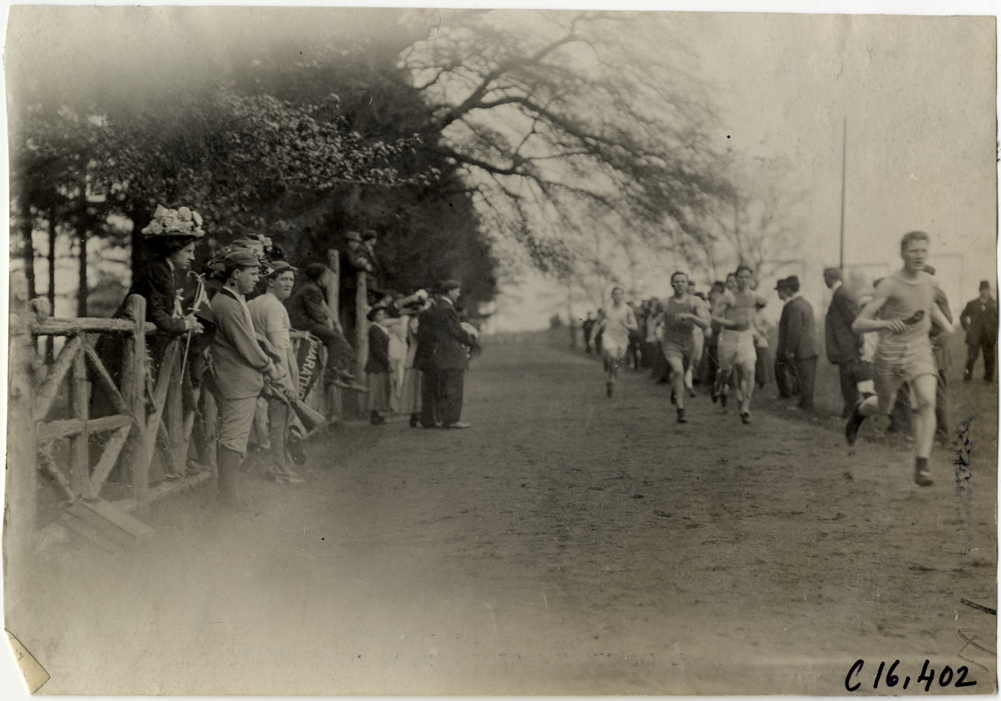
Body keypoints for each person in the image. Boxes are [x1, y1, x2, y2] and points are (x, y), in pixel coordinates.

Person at [844, 231, 955, 487]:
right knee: (885, 407)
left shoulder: (930, 283)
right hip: (890, 353)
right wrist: (884, 323)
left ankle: (922, 464)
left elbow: (931, 309)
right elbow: (858, 324)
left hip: (919, 351)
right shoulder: (890, 284)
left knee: (927, 400)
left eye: (923, 251)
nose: (919, 255)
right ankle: (859, 413)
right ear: (903, 253)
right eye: (914, 250)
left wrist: (947, 331)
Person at [210, 248, 290, 505]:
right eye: (253, 274)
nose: (257, 279)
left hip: (242, 381)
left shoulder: (235, 300)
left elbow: (251, 338)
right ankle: (228, 501)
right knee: (233, 440)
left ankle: (229, 498)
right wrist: (271, 367)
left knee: (236, 439)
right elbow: (246, 344)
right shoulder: (226, 304)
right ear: (235, 274)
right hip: (236, 382)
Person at [247, 260, 306, 483]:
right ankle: (281, 471)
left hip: (262, 364)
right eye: (284, 279)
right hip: (278, 364)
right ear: (270, 281)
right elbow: (277, 345)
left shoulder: (253, 303)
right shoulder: (274, 306)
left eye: (291, 280)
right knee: (280, 422)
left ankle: (282, 467)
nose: (289, 284)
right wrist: (286, 379)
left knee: (275, 421)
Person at [288, 263, 361, 394]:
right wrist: (328, 327)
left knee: (345, 345)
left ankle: (340, 370)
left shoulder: (313, 288)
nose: (328, 280)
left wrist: (334, 322)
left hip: (309, 323)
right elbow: (315, 313)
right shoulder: (311, 290)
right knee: (336, 340)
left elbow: (323, 307)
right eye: (327, 276)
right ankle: (330, 375)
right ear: (320, 277)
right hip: (305, 324)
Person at [712, 265, 767, 424]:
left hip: (745, 336)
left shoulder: (754, 296)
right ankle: (717, 386)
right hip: (728, 336)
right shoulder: (728, 297)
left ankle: (745, 408)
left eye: (747, 277)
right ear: (735, 279)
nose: (744, 280)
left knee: (749, 370)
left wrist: (759, 328)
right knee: (725, 371)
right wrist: (733, 322)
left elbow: (752, 315)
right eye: (741, 277)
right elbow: (714, 317)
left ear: (751, 279)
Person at [661, 272, 710, 423]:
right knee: (678, 370)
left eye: (683, 281)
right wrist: (655, 330)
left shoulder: (695, 301)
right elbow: (656, 318)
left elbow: (705, 323)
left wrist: (692, 317)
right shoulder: (664, 302)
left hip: (689, 342)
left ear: (687, 284)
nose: (680, 284)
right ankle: (680, 409)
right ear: (672, 284)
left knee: (681, 373)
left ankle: (674, 387)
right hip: (671, 342)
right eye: (677, 281)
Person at [431, 280, 477, 428]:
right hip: (451, 353)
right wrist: (471, 341)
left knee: (446, 387)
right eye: (456, 291)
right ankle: (453, 420)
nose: (458, 294)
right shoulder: (447, 308)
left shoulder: (440, 306)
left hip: (444, 353)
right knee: (454, 388)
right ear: (449, 291)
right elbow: (456, 330)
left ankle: (446, 419)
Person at [823, 267, 864, 417]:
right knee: (847, 382)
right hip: (845, 346)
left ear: (829, 278)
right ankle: (849, 412)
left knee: (848, 383)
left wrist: (859, 342)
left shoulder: (841, 294)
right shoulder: (840, 293)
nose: (824, 281)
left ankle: (852, 414)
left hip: (847, 347)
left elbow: (853, 321)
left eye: (825, 277)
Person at [776, 275, 819, 411]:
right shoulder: (806, 303)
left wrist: (789, 350)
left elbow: (794, 331)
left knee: (804, 379)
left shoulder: (795, 306)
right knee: (808, 379)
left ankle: (805, 405)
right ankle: (806, 404)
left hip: (803, 348)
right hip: (811, 347)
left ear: (789, 289)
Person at [593, 286, 639, 397]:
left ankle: (612, 375)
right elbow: (597, 323)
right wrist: (591, 338)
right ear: (612, 296)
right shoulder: (606, 309)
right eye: (615, 294)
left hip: (622, 337)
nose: (618, 296)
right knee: (613, 356)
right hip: (609, 336)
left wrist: (626, 325)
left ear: (623, 296)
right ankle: (611, 378)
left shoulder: (627, 309)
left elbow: (635, 326)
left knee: (619, 360)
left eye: (620, 294)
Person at [960, 280, 997, 382]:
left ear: (989, 291)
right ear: (979, 290)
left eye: (986, 290)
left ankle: (988, 378)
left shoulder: (995, 304)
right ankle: (967, 377)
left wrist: (995, 331)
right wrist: (967, 327)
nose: (985, 292)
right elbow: (962, 316)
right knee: (971, 357)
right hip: (975, 335)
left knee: (989, 358)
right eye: (983, 290)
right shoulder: (972, 304)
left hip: (989, 336)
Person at [365, 304, 392, 425]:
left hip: (379, 363)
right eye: (378, 314)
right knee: (376, 389)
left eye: (382, 314)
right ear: (373, 316)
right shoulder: (374, 328)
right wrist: (386, 362)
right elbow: (376, 349)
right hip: (376, 363)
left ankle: (377, 415)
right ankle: (374, 415)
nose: (381, 316)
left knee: (380, 389)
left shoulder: (379, 328)